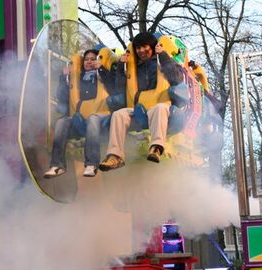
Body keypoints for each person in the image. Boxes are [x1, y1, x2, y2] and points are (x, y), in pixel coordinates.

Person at [99, 32, 185, 171]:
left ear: (152, 46)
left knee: (160, 108)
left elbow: (177, 78)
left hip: (158, 106)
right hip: (137, 107)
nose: (141, 51)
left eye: (145, 47)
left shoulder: (160, 61)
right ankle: (115, 156)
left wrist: (162, 55)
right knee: (119, 115)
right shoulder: (133, 67)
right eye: (138, 48)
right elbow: (119, 87)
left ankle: (156, 147)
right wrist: (122, 66)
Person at [44, 49, 116, 178]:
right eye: (86, 60)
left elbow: (114, 87)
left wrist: (101, 70)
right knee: (62, 121)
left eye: (93, 59)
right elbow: (62, 97)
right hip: (80, 118)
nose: (89, 62)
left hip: (101, 115)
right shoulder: (77, 77)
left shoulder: (103, 74)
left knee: (93, 118)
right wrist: (64, 78)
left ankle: (92, 163)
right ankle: (57, 165)